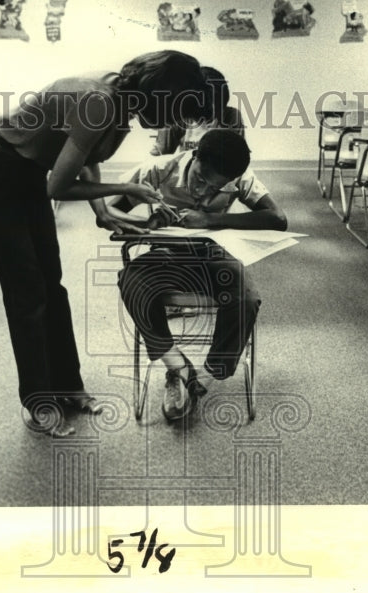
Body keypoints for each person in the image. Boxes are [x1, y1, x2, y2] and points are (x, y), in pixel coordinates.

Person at [0, 50, 208, 436]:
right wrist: (124, 188)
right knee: (28, 292)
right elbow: (57, 186)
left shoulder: (121, 100)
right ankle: (38, 401)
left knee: (52, 288)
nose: (175, 123)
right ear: (160, 93)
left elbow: (84, 154)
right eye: (176, 110)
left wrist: (103, 211)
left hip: (27, 174)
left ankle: (68, 386)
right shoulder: (99, 100)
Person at [104, 128, 287, 422]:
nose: (203, 192)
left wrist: (212, 219)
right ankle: (178, 367)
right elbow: (109, 216)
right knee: (132, 282)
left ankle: (206, 373)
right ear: (193, 156)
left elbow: (277, 219)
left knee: (247, 298)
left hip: (214, 256)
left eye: (215, 189)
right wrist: (147, 223)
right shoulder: (158, 170)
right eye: (200, 180)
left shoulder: (239, 176)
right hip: (167, 256)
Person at [150, 65, 244, 155]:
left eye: (217, 108)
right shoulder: (177, 117)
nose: (210, 116)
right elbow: (158, 156)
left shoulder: (231, 116)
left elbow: (236, 157)